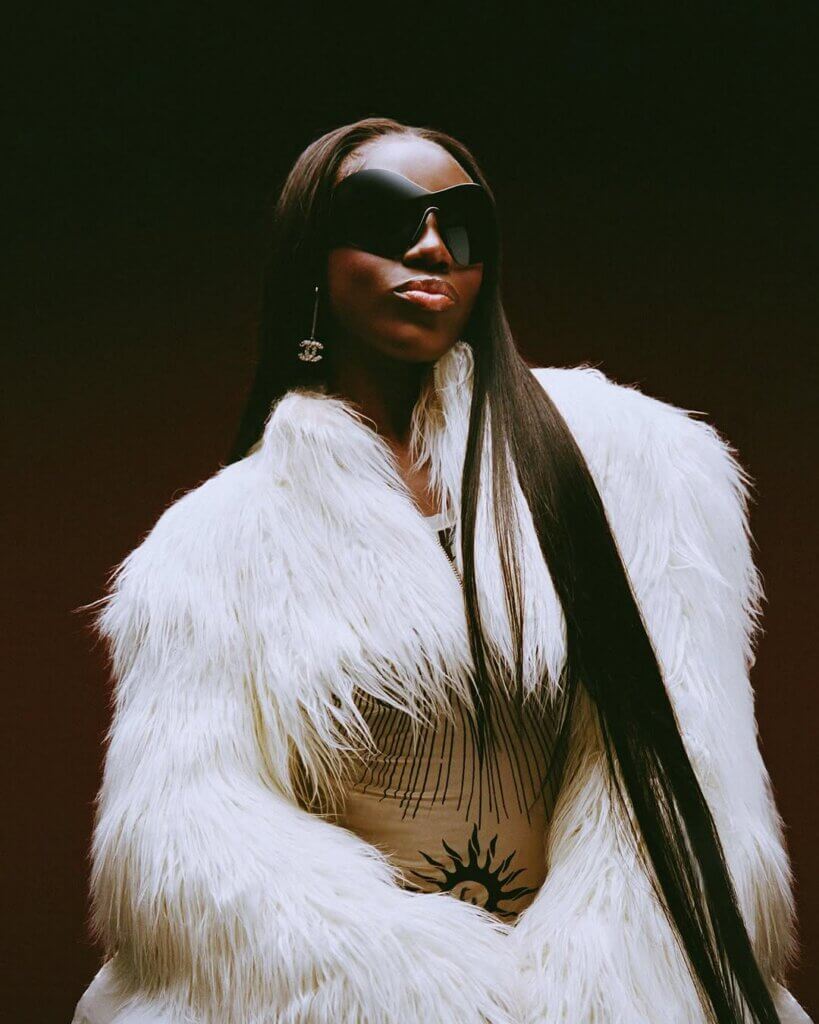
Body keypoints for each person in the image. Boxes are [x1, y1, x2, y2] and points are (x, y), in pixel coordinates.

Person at [71, 117, 811, 1024]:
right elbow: (187, 833)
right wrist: (428, 987)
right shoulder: (212, 546)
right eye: (383, 218)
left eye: (461, 226)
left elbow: (691, 771)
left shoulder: (629, 468)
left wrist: (582, 992)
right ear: (312, 256)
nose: (429, 248)